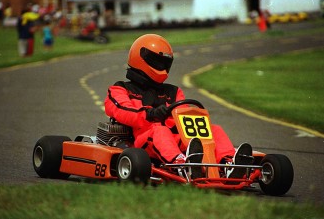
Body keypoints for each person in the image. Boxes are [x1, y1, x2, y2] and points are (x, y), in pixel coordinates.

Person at [104, 34, 252, 179]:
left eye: (165, 63)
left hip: (176, 138)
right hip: (141, 141)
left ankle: (228, 164)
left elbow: (183, 116)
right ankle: (181, 165)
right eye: (158, 61)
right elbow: (122, 111)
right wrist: (151, 113)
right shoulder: (120, 89)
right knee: (159, 131)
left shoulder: (173, 92)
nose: (162, 67)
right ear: (142, 58)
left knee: (214, 129)